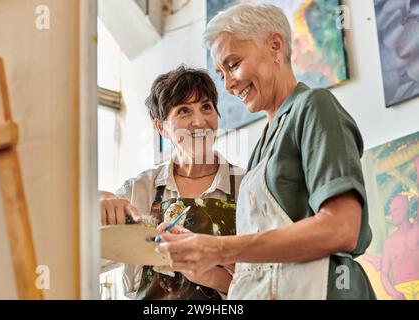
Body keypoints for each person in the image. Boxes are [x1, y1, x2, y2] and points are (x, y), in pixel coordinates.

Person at [157, 4, 376, 299]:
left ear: (275, 46)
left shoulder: (313, 107)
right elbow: (266, 259)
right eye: (221, 74)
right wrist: (204, 254)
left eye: (233, 65)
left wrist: (219, 247)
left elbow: (341, 228)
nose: (229, 85)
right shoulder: (261, 147)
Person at [100, 65, 243, 300]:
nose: (199, 121)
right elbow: (84, 255)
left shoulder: (247, 186)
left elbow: (269, 280)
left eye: (206, 107)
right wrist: (97, 201)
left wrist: (208, 274)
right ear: (160, 127)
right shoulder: (138, 191)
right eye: (184, 111)